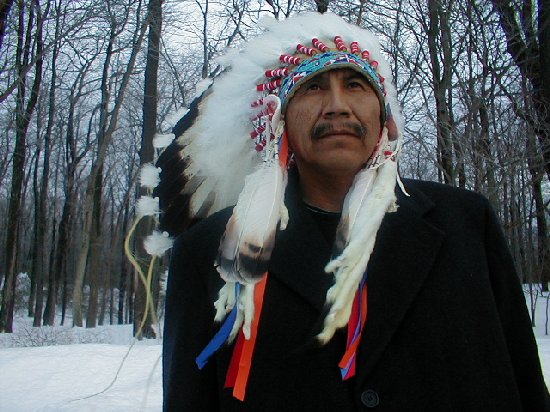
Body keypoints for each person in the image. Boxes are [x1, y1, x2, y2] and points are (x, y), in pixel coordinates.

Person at [158, 12, 550, 411]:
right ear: (279, 119)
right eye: (311, 88)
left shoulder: (467, 224)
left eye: (355, 84)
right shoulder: (211, 252)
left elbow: (524, 379)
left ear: (383, 115)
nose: (337, 106)